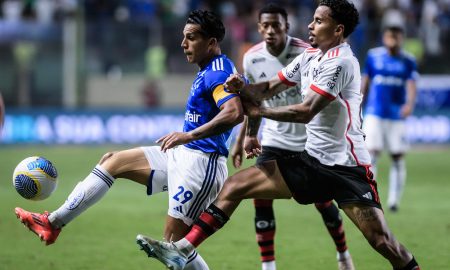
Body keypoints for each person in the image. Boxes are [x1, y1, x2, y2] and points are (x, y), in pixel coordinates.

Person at [136, 1, 421, 270]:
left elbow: (305, 111)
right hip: (312, 161)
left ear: (338, 30)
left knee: (382, 242)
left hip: (347, 167)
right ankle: (182, 249)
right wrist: (241, 88)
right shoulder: (310, 56)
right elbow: (270, 87)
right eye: (312, 19)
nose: (310, 25)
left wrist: (259, 111)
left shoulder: (342, 62)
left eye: (319, 21)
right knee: (235, 186)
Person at [15, 10, 243, 270]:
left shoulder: (217, 72)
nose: (183, 44)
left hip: (202, 165)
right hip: (183, 154)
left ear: (211, 42)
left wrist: (188, 134)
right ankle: (52, 223)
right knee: (113, 161)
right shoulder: (213, 69)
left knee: (174, 247)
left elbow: (234, 112)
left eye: (191, 38)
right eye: (183, 37)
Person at [230, 3, 353, 270]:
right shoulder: (252, 58)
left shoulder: (307, 52)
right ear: (259, 27)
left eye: (277, 25)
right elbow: (254, 102)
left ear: (287, 26)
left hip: (308, 141)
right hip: (273, 140)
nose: (271, 30)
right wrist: (245, 138)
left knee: (323, 201)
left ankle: (343, 254)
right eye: (266, 25)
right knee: (259, 196)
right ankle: (268, 267)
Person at [361, 24, 418, 212]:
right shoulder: (374, 56)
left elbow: (411, 84)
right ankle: (372, 197)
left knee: (397, 156)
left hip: (396, 116)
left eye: (396, 36)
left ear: (402, 38)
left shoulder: (408, 60)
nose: (393, 40)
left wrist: (409, 104)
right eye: (389, 36)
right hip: (375, 113)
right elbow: (366, 81)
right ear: (384, 38)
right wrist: (359, 102)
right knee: (372, 154)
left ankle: (394, 201)